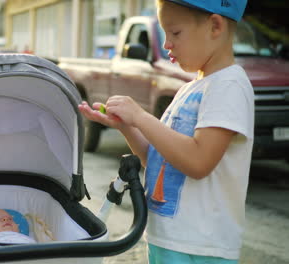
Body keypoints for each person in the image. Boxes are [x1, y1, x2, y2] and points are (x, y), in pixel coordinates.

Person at [78, 0, 253, 263]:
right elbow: (162, 161)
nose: (167, 43)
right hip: (171, 240)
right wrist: (127, 126)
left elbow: (197, 162)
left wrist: (141, 116)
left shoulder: (228, 85)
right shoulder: (191, 88)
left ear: (215, 26)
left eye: (176, 33)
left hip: (200, 247)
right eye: (165, 34)